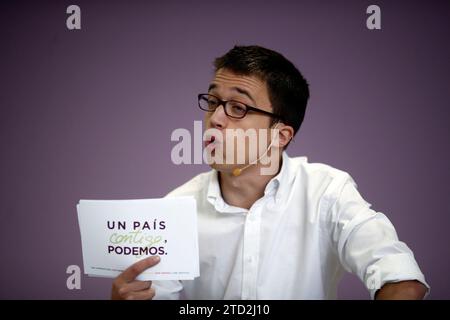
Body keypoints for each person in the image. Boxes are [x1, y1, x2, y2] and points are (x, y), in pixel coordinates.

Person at [111, 45, 429, 300]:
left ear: (280, 135)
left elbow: (402, 280)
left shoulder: (328, 191)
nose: (215, 118)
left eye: (238, 107)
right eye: (213, 101)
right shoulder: (174, 209)